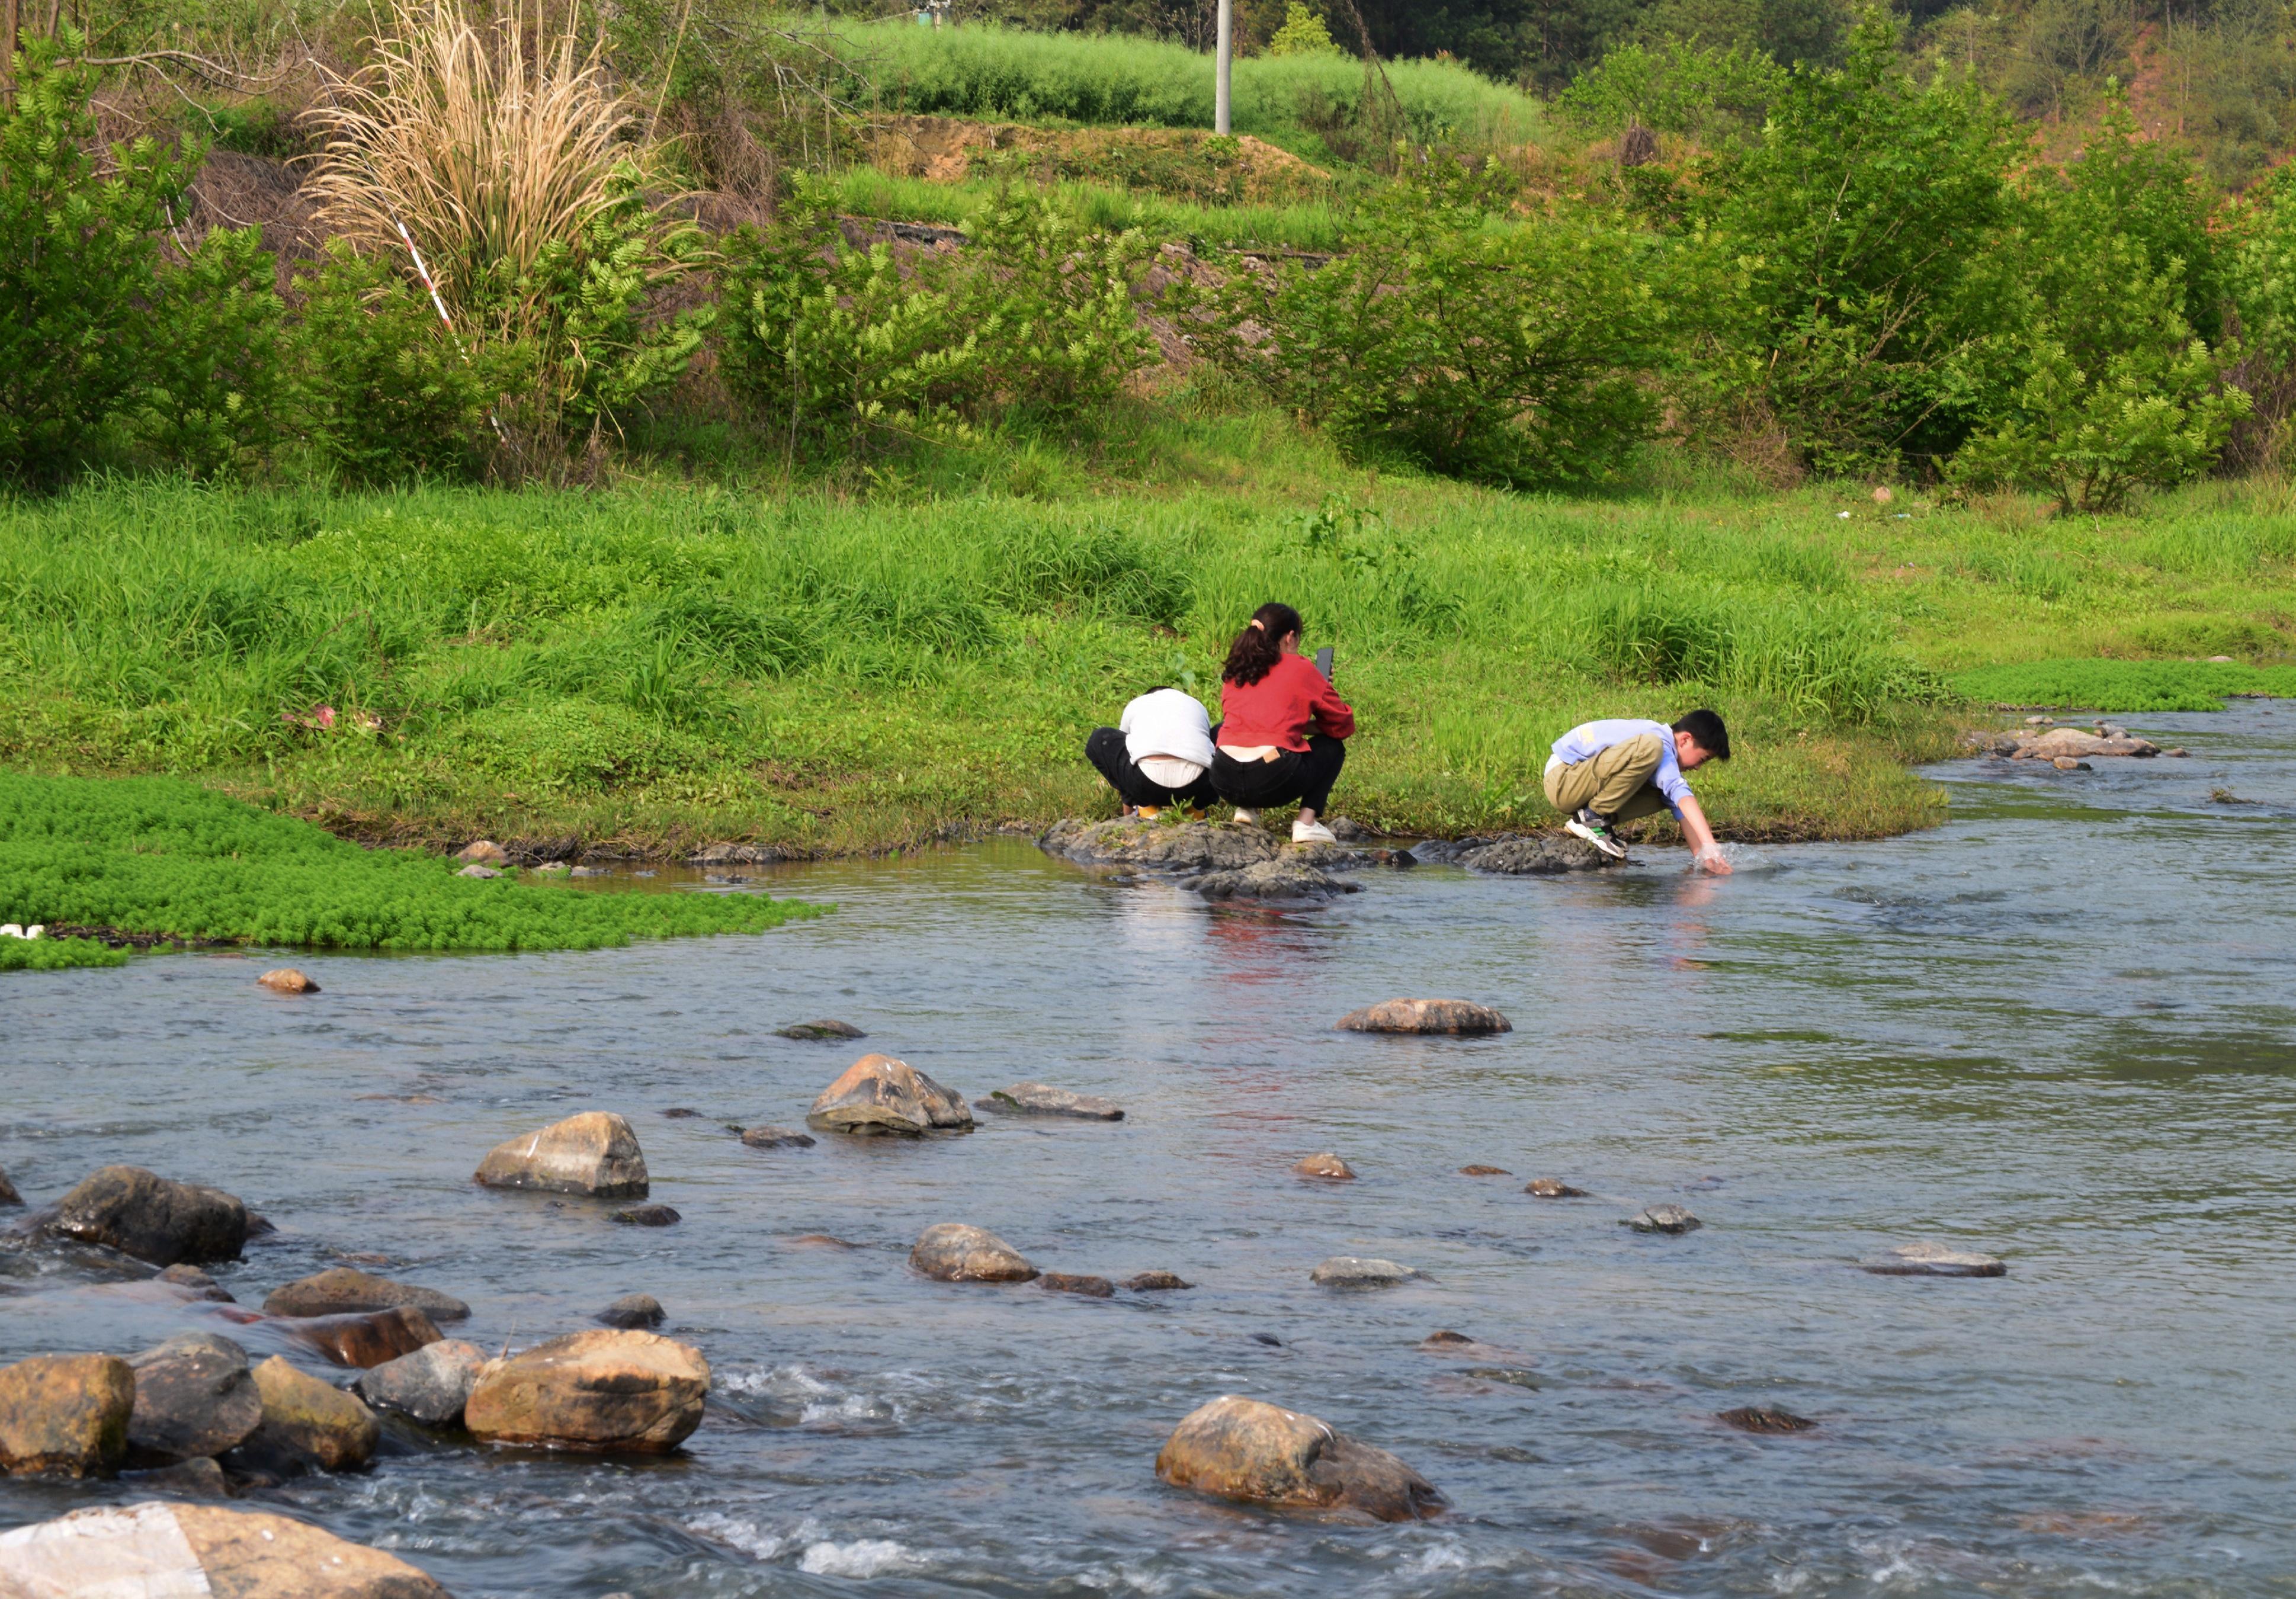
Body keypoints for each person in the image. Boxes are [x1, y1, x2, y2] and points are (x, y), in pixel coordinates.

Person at [1213, 602, 1354, 845]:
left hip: (1225, 777)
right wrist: (1322, 687)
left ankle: (1245, 809)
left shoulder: (1238, 668)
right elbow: (1343, 725)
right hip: (1272, 775)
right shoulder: (1302, 668)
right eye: (1298, 640)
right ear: (1290, 637)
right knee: (1332, 747)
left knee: (1223, 730)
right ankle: (1306, 824)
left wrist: (1297, 724)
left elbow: (1257, 724)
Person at [1545, 709, 1733, 874]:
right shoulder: (1658, 741)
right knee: (1652, 749)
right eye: (1703, 759)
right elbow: (1680, 791)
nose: (1699, 768)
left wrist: (1707, 861)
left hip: (1577, 785)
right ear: (1685, 740)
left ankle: (1595, 822)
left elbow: (1683, 810)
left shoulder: (1664, 756)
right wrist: (1712, 846)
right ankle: (1590, 817)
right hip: (1563, 779)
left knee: (1667, 795)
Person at [1085, 688, 1220, 817]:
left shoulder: (1137, 704)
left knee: (1099, 737)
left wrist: (1129, 804)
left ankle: (1144, 807)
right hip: (1198, 786)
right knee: (1224, 733)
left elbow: (1126, 754)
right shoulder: (1195, 705)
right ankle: (1197, 808)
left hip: (1145, 785)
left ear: (1148, 696)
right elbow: (1206, 747)